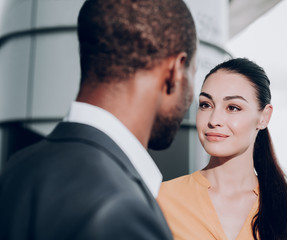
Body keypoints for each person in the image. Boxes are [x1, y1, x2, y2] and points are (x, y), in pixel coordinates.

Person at [0, 0, 197, 239]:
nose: (191, 98)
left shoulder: (16, 168)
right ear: (175, 71)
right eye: (193, 74)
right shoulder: (120, 209)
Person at [158, 58, 287, 240]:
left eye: (233, 107)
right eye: (206, 105)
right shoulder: (161, 198)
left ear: (264, 117)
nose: (214, 120)